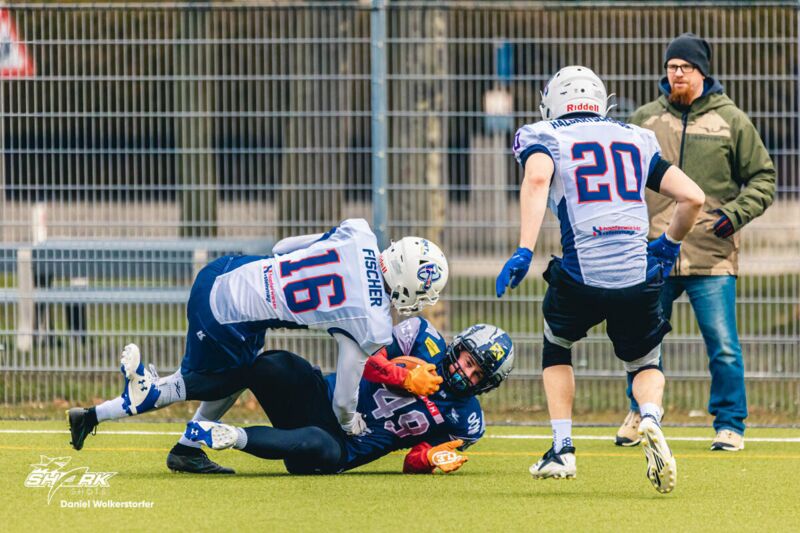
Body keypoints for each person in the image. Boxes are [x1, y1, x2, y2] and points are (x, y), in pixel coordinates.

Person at [67, 219, 449, 462]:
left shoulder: (359, 231)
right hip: (228, 317)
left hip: (223, 272)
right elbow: (343, 402)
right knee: (206, 382)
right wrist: (351, 425)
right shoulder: (373, 323)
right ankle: (138, 398)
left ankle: (173, 444)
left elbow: (283, 247)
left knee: (241, 370)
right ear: (409, 284)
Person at [497, 65, 705, 494]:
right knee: (645, 362)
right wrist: (668, 244)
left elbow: (537, 178)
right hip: (636, 274)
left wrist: (523, 249)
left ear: (552, 102)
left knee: (557, 345)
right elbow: (693, 196)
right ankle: (650, 416)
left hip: (582, 274)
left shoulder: (545, 134)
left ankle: (562, 448)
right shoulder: (636, 137)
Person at [615, 33, 776, 452]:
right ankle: (639, 413)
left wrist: (734, 215)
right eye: (672, 66)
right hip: (654, 252)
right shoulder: (644, 120)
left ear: (702, 71)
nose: (677, 74)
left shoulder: (731, 120)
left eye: (685, 67)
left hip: (712, 256)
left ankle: (730, 424)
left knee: (723, 347)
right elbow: (622, 177)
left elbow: (764, 178)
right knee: (642, 341)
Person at [180, 318, 514, 475]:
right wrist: (403, 377)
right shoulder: (421, 337)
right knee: (274, 364)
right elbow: (365, 361)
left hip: (343, 447)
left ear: (486, 385)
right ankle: (181, 389)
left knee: (315, 442)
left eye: (477, 374)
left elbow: (411, 462)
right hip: (326, 398)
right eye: (468, 362)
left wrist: (430, 458)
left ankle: (232, 436)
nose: (466, 374)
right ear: (458, 346)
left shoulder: (468, 420)